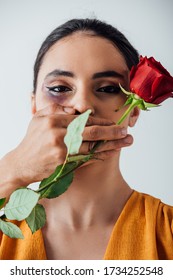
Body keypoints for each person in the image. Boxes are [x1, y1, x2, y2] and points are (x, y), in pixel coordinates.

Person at [0, 18, 172, 260]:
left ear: (134, 110)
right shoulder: (4, 228)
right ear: (34, 107)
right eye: (60, 88)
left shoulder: (167, 233)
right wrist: (12, 170)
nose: (82, 105)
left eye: (108, 88)